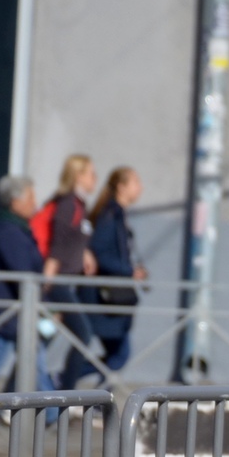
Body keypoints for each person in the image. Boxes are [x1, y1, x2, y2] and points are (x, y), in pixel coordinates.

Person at [0, 174, 53, 417]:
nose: (35, 203)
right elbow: (24, 272)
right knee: (21, 360)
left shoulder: (16, 228)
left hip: (13, 309)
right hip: (9, 308)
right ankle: (53, 413)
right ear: (15, 202)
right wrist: (44, 307)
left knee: (20, 359)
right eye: (30, 197)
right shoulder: (9, 230)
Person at [76, 166, 146, 384]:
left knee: (117, 354)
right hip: (104, 297)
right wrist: (129, 270)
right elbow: (99, 251)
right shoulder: (111, 214)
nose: (140, 187)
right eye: (135, 182)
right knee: (120, 354)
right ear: (121, 187)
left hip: (111, 297)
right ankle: (67, 381)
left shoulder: (116, 214)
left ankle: (74, 384)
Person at [38, 154, 98, 386]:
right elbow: (57, 246)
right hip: (58, 284)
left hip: (66, 283)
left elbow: (74, 239)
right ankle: (67, 393)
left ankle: (10, 397)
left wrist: (86, 253)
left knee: (42, 342)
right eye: (91, 173)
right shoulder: (68, 204)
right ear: (78, 176)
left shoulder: (80, 205)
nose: (95, 178)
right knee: (83, 334)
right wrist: (46, 288)